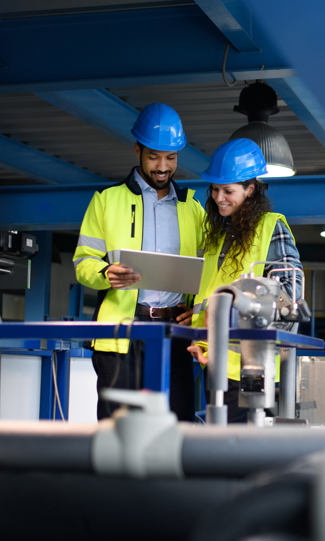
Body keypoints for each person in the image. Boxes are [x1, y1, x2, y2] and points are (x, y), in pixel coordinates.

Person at [73, 103, 206, 421]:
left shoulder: (194, 209)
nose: (163, 166)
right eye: (154, 156)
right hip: (121, 334)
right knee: (118, 427)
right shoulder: (106, 201)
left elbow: (208, 273)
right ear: (137, 150)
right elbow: (83, 264)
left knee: (178, 426)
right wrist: (105, 272)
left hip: (176, 335)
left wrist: (197, 309)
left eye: (171, 158)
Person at [186, 138, 303, 423]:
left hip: (254, 368)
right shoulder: (216, 235)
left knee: (247, 455)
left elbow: (288, 302)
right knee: (222, 453)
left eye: (228, 191)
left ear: (250, 190)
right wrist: (201, 337)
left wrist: (231, 316)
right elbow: (211, 299)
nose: (218, 197)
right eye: (214, 189)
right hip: (215, 364)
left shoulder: (271, 227)